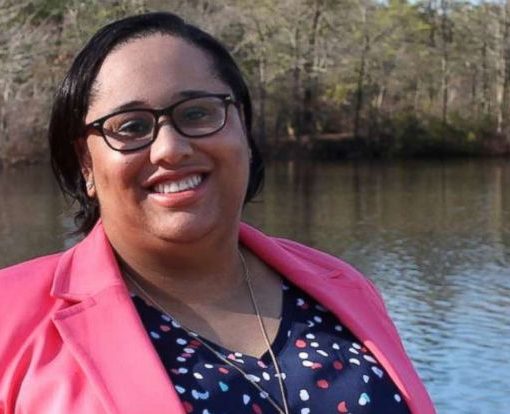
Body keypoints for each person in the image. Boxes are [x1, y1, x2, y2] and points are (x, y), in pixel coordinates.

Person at [0, 12, 435, 414]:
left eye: (197, 113)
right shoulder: (10, 318)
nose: (171, 148)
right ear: (86, 164)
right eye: (131, 126)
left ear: (242, 126)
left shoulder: (344, 286)